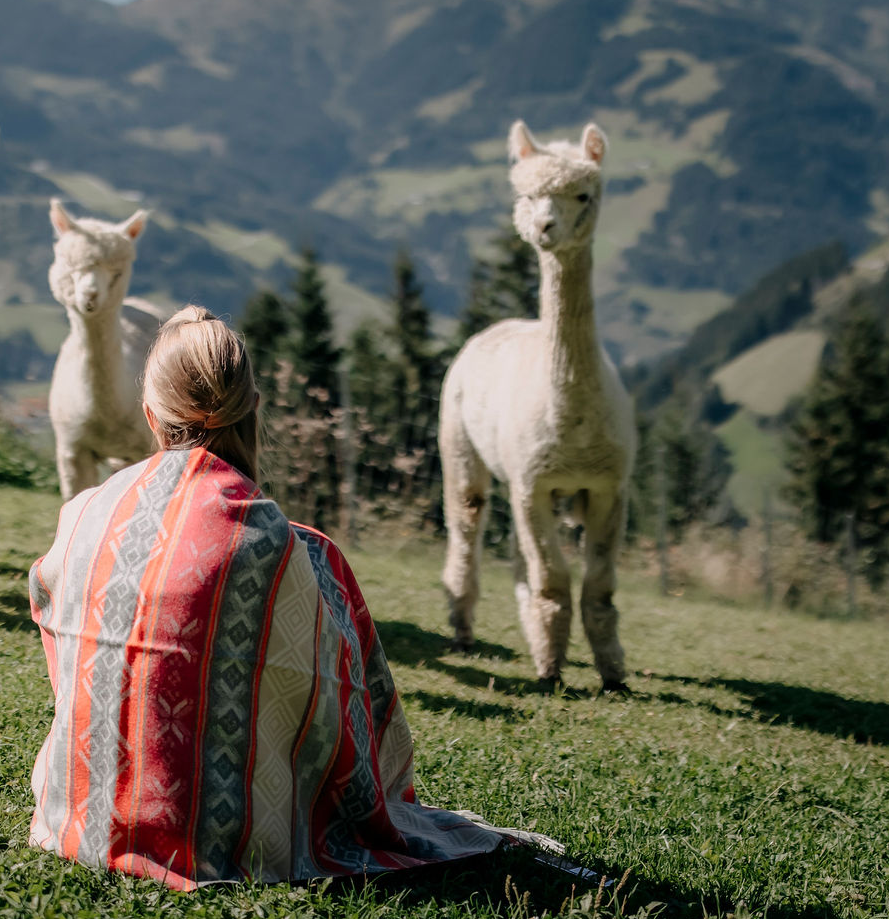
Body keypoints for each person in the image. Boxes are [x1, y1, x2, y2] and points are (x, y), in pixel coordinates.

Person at [27, 305, 522, 888]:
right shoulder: (291, 550)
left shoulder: (83, 513)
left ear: (150, 414)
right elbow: (338, 712)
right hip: (232, 845)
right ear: (253, 407)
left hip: (79, 817)